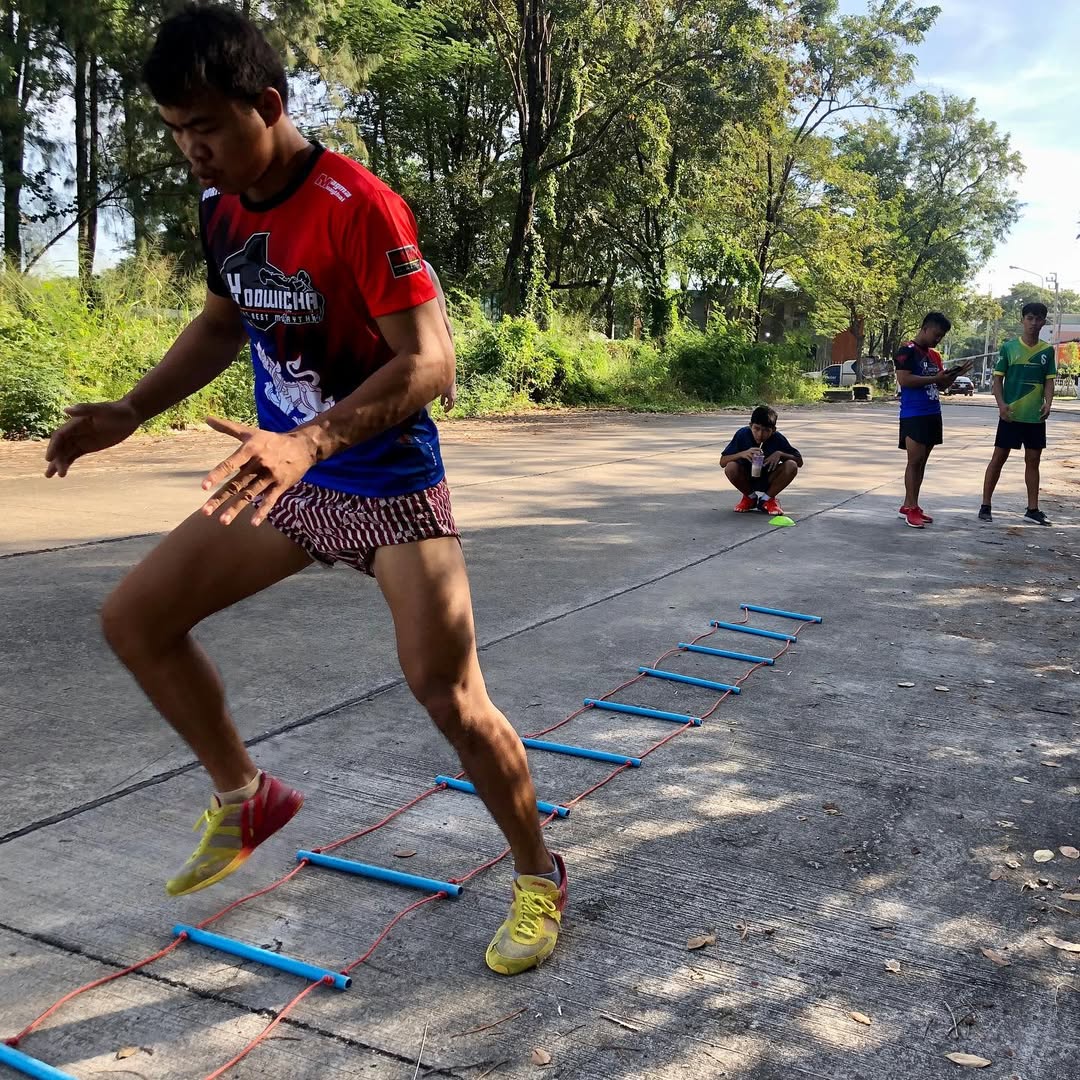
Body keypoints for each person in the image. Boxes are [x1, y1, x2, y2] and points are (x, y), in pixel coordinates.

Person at [42, 4, 564, 977]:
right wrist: (131, 408)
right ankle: (247, 797)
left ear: (269, 105)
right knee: (137, 618)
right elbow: (220, 324)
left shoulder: (358, 205)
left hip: (384, 483)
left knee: (450, 695)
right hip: (288, 477)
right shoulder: (221, 207)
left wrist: (310, 441)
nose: (192, 150)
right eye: (176, 130)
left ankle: (539, 872)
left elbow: (431, 362)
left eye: (206, 126)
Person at [978, 303, 1056, 525]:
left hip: (1034, 417)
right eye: (1030, 318)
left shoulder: (1047, 351)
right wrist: (1001, 405)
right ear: (1022, 320)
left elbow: (1049, 381)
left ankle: (1032, 509)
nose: (1033, 323)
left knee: (1033, 460)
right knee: (998, 458)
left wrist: (1048, 403)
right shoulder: (1009, 348)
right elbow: (997, 380)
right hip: (1010, 415)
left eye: (1038, 319)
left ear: (1043, 322)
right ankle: (985, 505)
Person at [893, 313, 971, 528]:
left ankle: (911, 505)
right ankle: (911, 508)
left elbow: (941, 385)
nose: (938, 339)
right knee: (914, 461)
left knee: (922, 462)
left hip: (932, 412)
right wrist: (936, 378)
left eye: (942, 336)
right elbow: (904, 379)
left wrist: (953, 375)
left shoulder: (934, 355)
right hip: (913, 413)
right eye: (936, 334)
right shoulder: (907, 351)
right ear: (925, 328)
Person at [719, 405, 803, 517]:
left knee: (791, 465)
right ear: (750, 426)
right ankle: (750, 497)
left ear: (773, 430)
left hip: (769, 478)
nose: (760, 434)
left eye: (766, 430)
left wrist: (780, 454)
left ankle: (767, 499)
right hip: (746, 478)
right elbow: (723, 462)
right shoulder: (742, 435)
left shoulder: (778, 438)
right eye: (757, 428)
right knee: (731, 467)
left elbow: (799, 462)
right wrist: (742, 454)